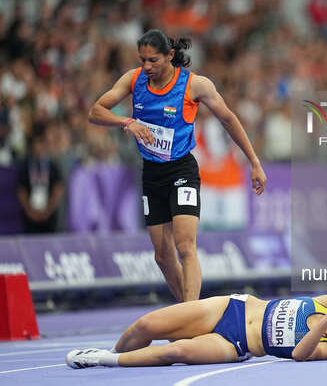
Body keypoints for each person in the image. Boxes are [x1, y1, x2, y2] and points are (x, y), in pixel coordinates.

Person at [88, 29, 266, 302]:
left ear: (170, 55)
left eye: (153, 60)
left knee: (185, 245)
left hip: (182, 170)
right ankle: (188, 311)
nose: (147, 67)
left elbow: (228, 119)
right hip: (152, 174)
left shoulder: (195, 85)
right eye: (142, 60)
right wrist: (127, 122)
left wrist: (254, 161)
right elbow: (96, 111)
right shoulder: (133, 80)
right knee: (162, 255)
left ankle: (192, 314)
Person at [66, 246, 327, 368]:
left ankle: (101, 358)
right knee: (145, 326)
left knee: (175, 351)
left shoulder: (325, 350)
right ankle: (113, 355)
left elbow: (298, 355)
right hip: (231, 309)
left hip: (236, 344)